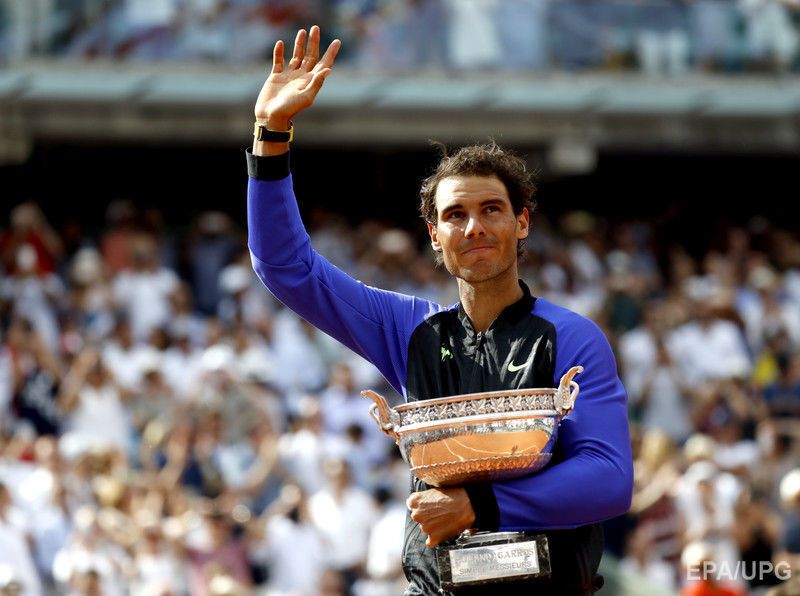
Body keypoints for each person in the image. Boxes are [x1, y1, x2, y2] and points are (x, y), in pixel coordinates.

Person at [246, 25, 633, 595]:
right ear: (434, 234)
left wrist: (479, 505)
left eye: (491, 209)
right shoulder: (409, 330)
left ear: (522, 222)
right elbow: (285, 267)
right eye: (455, 215)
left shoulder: (570, 336)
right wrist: (271, 135)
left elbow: (608, 478)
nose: (474, 227)